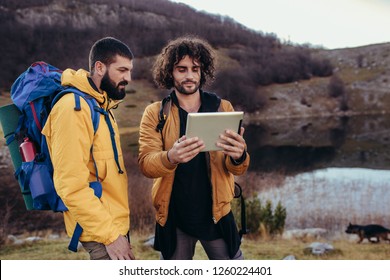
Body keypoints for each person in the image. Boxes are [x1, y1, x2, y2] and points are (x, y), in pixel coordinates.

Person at [138, 36, 250, 260]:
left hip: (217, 215)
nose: (189, 75)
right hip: (174, 216)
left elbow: (237, 169)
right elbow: (146, 164)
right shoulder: (156, 112)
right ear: (170, 72)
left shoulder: (222, 107)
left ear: (202, 72)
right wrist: (171, 157)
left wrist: (239, 156)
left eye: (195, 69)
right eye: (182, 69)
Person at [42, 37, 135, 260]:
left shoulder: (102, 106)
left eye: (130, 71)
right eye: (122, 70)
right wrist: (110, 236)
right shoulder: (73, 108)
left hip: (115, 223)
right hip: (101, 232)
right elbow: (70, 185)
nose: (128, 78)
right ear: (100, 67)